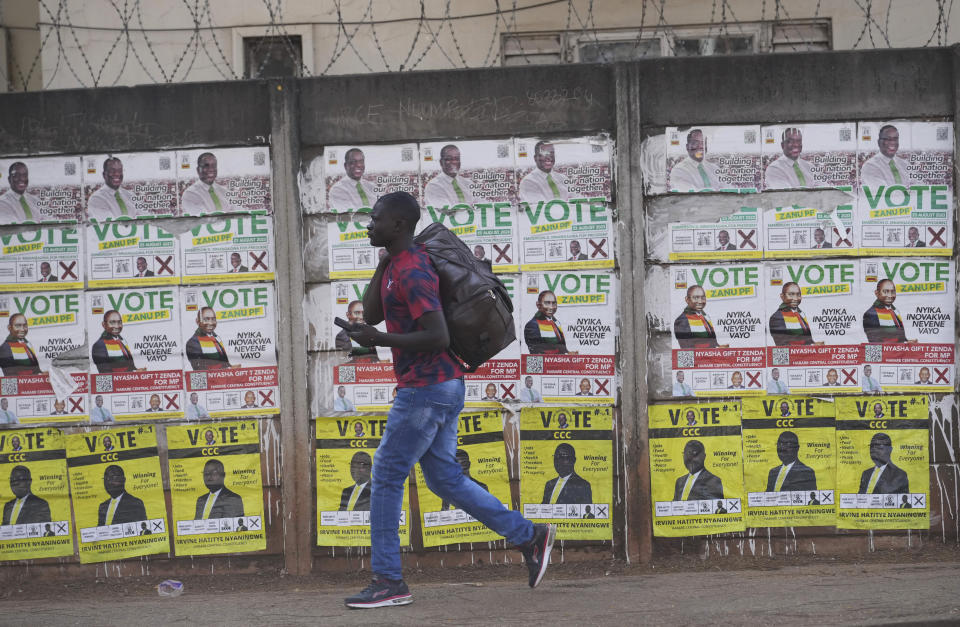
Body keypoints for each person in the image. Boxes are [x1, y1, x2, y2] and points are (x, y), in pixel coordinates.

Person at [342, 191, 555, 608]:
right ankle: (529, 536)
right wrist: (384, 261)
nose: (368, 224)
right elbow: (370, 314)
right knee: (444, 478)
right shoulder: (395, 265)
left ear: (399, 225)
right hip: (435, 387)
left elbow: (437, 335)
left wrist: (379, 340)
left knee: (385, 474)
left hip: (427, 389)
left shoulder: (415, 269)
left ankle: (388, 581)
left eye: (376, 218)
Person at [673, 285, 726, 349]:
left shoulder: (705, 315)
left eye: (703, 298)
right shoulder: (682, 321)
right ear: (687, 299)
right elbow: (687, 349)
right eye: (696, 298)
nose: (700, 301)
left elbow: (711, 340)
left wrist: (718, 347)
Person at [768, 282, 821, 347]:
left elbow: (807, 339)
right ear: (782, 296)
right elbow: (783, 346)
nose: (795, 298)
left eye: (798, 294)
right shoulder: (777, 317)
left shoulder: (800, 313)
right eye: (791, 294)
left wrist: (814, 344)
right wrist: (811, 346)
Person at [863, 279, 914, 344]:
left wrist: (906, 342)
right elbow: (875, 343)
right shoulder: (871, 314)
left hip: (897, 352)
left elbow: (898, 335)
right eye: (885, 291)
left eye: (892, 292)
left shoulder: (894, 310)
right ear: (877, 293)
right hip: (886, 353)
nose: (890, 295)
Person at [524, 290, 569, 354]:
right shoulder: (532, 325)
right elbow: (536, 351)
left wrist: (568, 353)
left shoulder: (556, 322)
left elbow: (561, 346)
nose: (551, 307)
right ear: (538, 305)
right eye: (547, 303)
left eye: (554, 303)